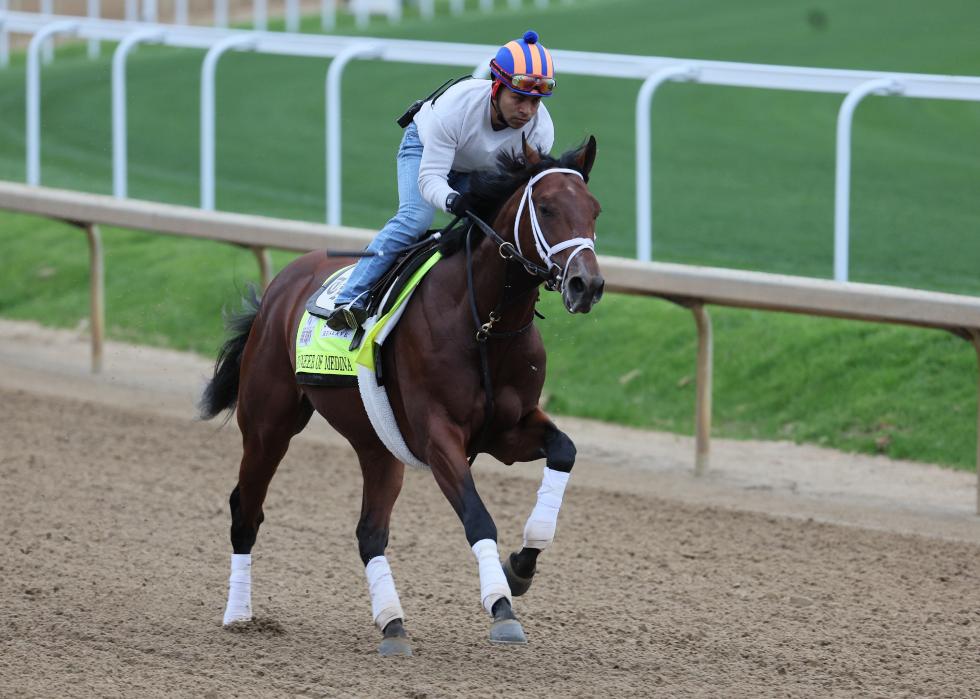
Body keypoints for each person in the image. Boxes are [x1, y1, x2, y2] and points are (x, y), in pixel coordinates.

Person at [325, 30, 557, 331]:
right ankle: (349, 300)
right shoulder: (457, 107)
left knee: (495, 228)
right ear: (496, 87)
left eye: (535, 102)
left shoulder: (540, 133)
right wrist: (452, 200)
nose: (527, 111)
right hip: (424, 150)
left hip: (476, 169)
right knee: (414, 219)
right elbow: (432, 178)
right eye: (519, 98)